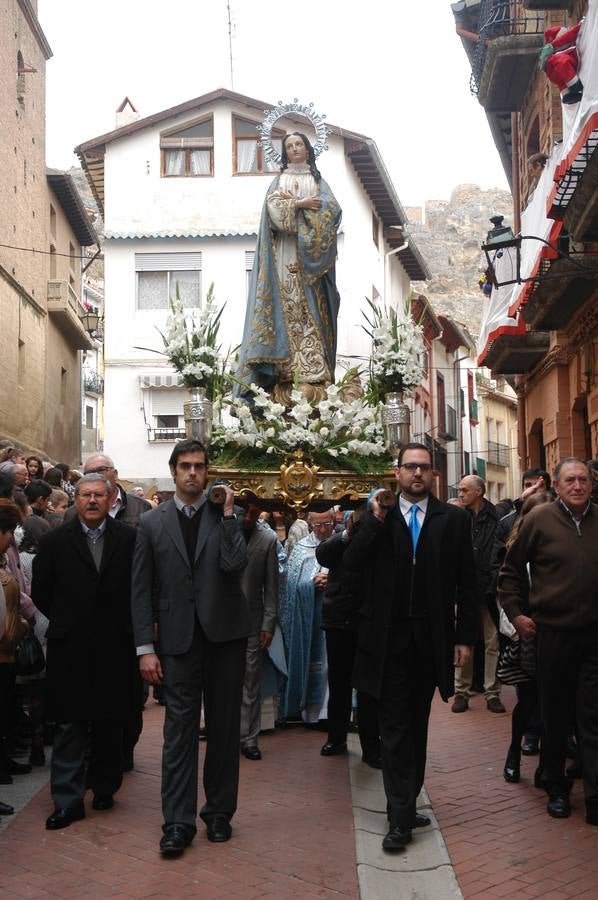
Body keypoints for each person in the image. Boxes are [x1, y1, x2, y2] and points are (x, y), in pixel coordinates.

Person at [343, 443, 477, 852]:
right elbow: (352, 563)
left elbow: (468, 582)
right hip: (387, 642)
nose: (416, 473)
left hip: (430, 641)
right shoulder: (378, 518)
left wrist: (465, 638)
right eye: (409, 467)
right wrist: (375, 520)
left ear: (433, 474)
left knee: (416, 726)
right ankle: (399, 816)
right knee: (395, 727)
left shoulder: (452, 519)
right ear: (397, 473)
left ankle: (405, 800)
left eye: (423, 467)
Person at [131, 439, 251, 855]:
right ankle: (177, 823)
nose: (193, 473)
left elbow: (236, 566)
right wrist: (145, 647)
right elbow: (140, 590)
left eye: (199, 466)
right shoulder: (151, 523)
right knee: (177, 733)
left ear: (207, 471)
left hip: (225, 638)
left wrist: (232, 514)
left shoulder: (226, 515)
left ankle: (218, 814)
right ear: (173, 470)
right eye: (185, 466)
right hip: (177, 643)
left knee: (223, 730)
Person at [32, 474, 138, 829]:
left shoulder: (130, 539)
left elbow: (137, 591)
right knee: (69, 724)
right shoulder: (53, 542)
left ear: (111, 500)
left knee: (110, 720)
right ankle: (68, 800)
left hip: (115, 646)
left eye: (98, 495)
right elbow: (43, 593)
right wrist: (70, 620)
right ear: (75, 499)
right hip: (70, 647)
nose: (91, 500)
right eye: (84, 494)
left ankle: (105, 786)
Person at [498, 458, 598, 823]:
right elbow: (509, 572)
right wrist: (517, 614)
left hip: (593, 635)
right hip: (552, 633)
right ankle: (556, 787)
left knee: (592, 715)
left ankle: (594, 794)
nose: (577, 486)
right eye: (570, 480)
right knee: (554, 714)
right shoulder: (538, 520)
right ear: (556, 486)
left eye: (583, 480)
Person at [236, 131, 341, 403]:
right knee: (285, 304)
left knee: (312, 312)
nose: (295, 149)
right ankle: (284, 366)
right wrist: (301, 204)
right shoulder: (278, 181)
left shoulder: (319, 182)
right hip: (283, 255)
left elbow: (333, 212)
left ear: (308, 149)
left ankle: (313, 367)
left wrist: (299, 210)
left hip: (310, 264)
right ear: (284, 152)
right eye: (290, 146)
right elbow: (274, 212)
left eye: (299, 144)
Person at [315, 502, 381, 767]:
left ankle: (371, 746)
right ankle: (336, 737)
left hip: (367, 621)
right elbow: (323, 555)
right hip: (339, 620)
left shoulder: (379, 535)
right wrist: (347, 535)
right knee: (339, 683)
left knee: (368, 688)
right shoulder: (341, 536)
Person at [496, 491, 553, 785]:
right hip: (527, 636)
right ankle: (514, 751)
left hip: (558, 633)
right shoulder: (516, 549)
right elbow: (506, 588)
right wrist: (517, 623)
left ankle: (547, 765)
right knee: (529, 700)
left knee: (554, 701)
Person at [453, 475, 503, 714]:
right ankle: (461, 692)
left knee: (492, 642)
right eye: (460, 490)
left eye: (465, 490)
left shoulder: (497, 519)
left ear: (479, 492)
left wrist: (494, 582)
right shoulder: (456, 519)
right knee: (465, 641)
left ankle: (492, 693)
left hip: (489, 590)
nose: (460, 493)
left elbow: (499, 554)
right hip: (464, 592)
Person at [279, 510, 334, 724]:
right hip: (309, 619)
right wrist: (312, 584)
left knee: (332, 665)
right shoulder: (301, 549)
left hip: (335, 615)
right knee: (314, 662)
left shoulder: (342, 543)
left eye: (327, 524)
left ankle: (329, 713)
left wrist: (333, 580)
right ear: (310, 524)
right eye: (318, 525)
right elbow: (290, 587)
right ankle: (311, 712)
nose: (323, 529)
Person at [238, 503, 279, 761]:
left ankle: (249, 738)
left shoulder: (268, 539)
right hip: (219, 621)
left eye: (255, 513)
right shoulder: (221, 530)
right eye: (246, 512)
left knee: (250, 683)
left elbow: (271, 587)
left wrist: (268, 623)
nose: (249, 518)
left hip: (252, 622)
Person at [0, 499, 30, 787]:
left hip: (7, 645)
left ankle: (4, 760)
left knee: (6, 705)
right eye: (8, 531)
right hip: (3, 643)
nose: (11, 538)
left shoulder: (6, 554)